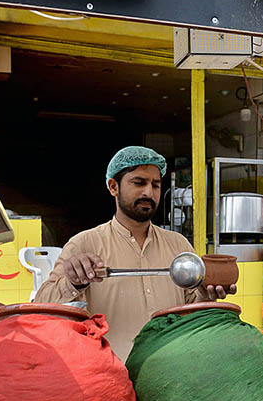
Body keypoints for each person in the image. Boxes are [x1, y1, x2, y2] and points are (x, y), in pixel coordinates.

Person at [35, 146, 235, 361]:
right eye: (139, 183)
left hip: (171, 369)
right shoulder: (84, 244)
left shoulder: (178, 245)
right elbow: (42, 305)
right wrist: (73, 283)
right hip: (111, 373)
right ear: (113, 187)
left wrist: (206, 297)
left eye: (155, 185)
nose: (149, 192)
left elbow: (190, 310)